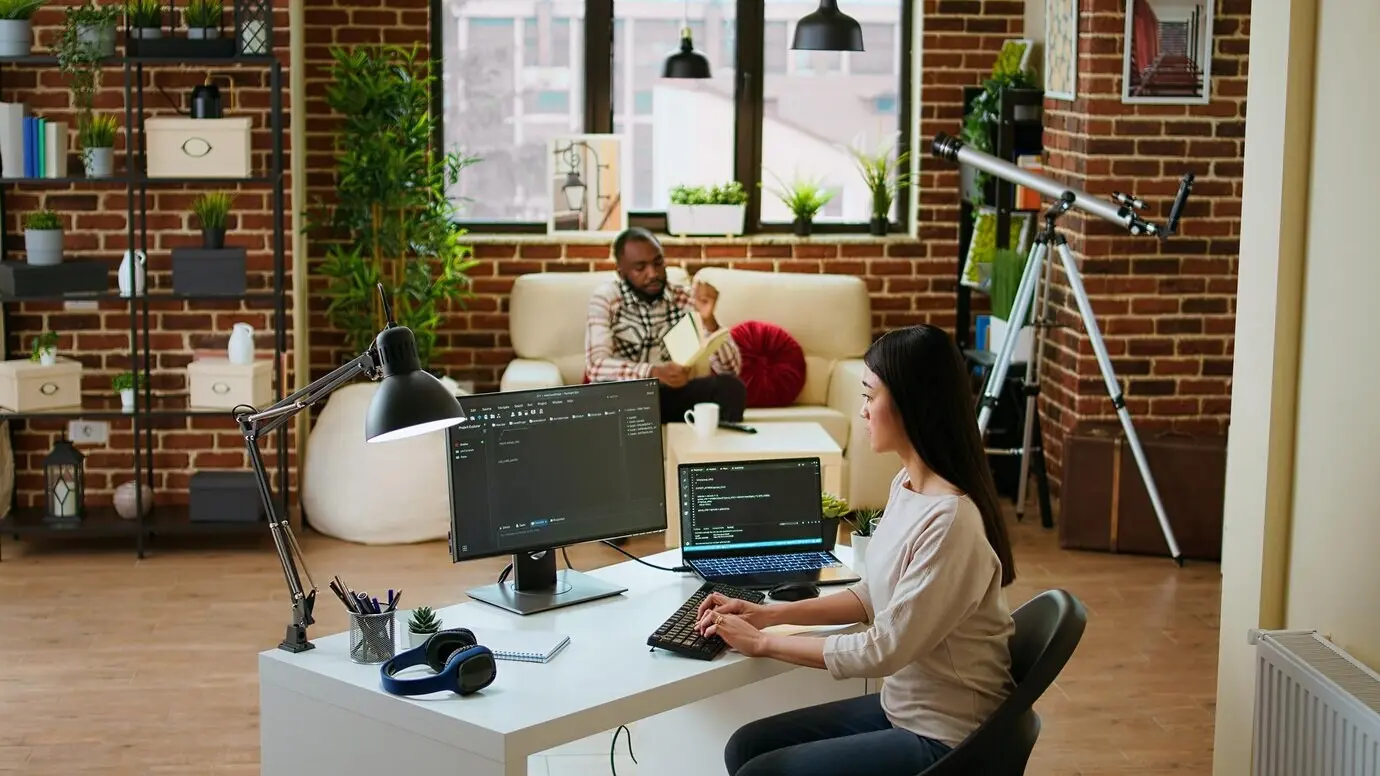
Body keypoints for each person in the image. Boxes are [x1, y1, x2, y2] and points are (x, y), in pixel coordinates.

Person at [694, 324, 1019, 776]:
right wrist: (766, 614)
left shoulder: (951, 522)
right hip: (904, 710)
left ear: (912, 403)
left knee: (760, 772)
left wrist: (763, 643)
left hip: (949, 736)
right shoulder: (907, 484)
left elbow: (881, 650)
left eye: (869, 395)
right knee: (745, 746)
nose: (862, 410)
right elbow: (871, 594)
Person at [585, 227, 746, 424]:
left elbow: (731, 370)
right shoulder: (606, 299)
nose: (653, 273)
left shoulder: (685, 297)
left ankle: (701, 443)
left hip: (674, 396)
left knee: (731, 388)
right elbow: (596, 366)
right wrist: (653, 373)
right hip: (629, 398)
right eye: (640, 268)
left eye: (658, 263)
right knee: (598, 398)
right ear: (621, 273)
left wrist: (709, 320)